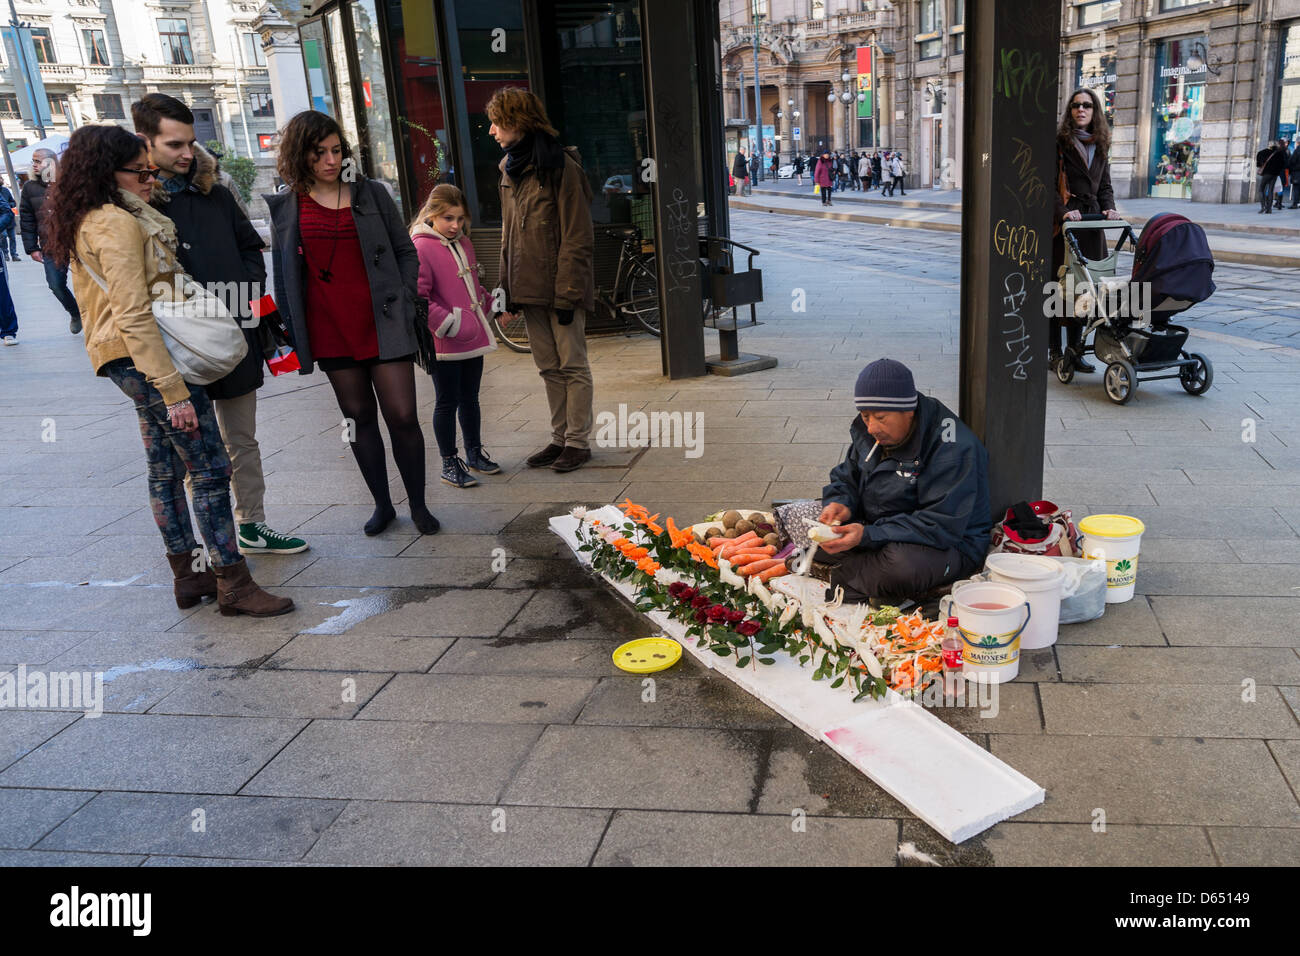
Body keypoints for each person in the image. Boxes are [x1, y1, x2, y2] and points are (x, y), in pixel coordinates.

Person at [43, 124, 293, 616]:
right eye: (140, 171)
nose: (148, 178)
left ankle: (191, 578)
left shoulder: (88, 218)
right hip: (146, 357)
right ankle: (234, 584)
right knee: (210, 467)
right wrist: (173, 389)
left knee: (164, 468)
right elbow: (133, 311)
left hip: (122, 356)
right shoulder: (114, 222)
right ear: (107, 173)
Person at [133, 92, 309, 557]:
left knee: (242, 439)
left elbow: (251, 248)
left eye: (190, 142)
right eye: (174, 145)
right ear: (144, 142)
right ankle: (216, 541)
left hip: (236, 333)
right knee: (196, 455)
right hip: (177, 346)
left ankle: (253, 524)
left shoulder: (215, 189)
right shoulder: (135, 206)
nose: (187, 154)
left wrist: (245, 293)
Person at [266, 110, 439, 536]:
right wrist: (288, 330)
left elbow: (405, 249)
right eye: (318, 152)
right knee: (358, 416)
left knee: (402, 414)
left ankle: (418, 505)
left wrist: (405, 296)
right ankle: (383, 505)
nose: (329, 159)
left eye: (336, 150)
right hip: (328, 327)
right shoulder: (288, 206)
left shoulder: (371, 193)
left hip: (383, 320)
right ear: (299, 154)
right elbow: (285, 274)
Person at [812, 358, 991, 604]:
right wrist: (840, 502)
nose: (872, 427)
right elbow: (846, 476)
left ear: (908, 410)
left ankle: (841, 575)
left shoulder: (953, 448)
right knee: (817, 530)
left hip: (947, 544)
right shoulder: (869, 431)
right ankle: (865, 575)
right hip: (882, 526)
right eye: (865, 416)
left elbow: (939, 525)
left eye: (881, 417)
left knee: (901, 567)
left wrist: (868, 535)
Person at [489, 87, 596, 473]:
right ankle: (559, 438)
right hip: (528, 288)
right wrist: (505, 292)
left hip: (560, 289)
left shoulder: (561, 167)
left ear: (518, 122)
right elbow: (508, 238)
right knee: (548, 367)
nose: (491, 130)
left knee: (572, 365)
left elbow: (578, 236)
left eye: (497, 122)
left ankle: (578, 442)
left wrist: (568, 295)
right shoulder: (508, 169)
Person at [410, 183, 499, 489]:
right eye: (448, 218)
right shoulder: (421, 246)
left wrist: (493, 306)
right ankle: (450, 463)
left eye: (460, 219)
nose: (455, 225)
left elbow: (472, 288)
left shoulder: (464, 243)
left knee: (471, 398)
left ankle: (474, 453)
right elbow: (419, 298)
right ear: (432, 214)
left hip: (471, 337)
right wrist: (449, 323)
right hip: (445, 341)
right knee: (446, 402)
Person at [1052, 88, 1120, 374]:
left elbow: (1104, 185)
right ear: (1070, 111)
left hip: (1092, 224)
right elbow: (1047, 185)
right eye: (1076, 105)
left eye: (1087, 106)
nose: (1081, 110)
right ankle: (1055, 352)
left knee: (1087, 290)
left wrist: (1110, 208)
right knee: (1059, 291)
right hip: (1066, 225)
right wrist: (1064, 212)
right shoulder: (1059, 144)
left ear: (1095, 111)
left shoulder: (1101, 144)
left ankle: (1075, 350)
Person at [20, 148, 83, 334]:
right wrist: (31, 248)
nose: (34, 165)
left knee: (90, 285)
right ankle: (75, 313)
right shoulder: (30, 187)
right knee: (55, 284)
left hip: (76, 243)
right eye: (33, 161)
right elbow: (26, 218)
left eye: (38, 161)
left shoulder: (69, 183)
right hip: (50, 245)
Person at [1257, 141, 1286, 215]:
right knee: (1271, 190)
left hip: (1267, 173)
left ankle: (1263, 206)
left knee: (1261, 189)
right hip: (1275, 175)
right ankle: (1269, 209)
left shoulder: (1262, 152)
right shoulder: (1280, 154)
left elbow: (1259, 164)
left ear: (1269, 145)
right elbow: (1283, 165)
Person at [0, 178, 18, 260]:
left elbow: (13, 202)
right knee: (3, 236)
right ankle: (5, 254)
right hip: (1, 219)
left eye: (1, 178)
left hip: (9, 219)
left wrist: (8, 205)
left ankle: (14, 255)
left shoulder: (5, 190)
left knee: (13, 238)